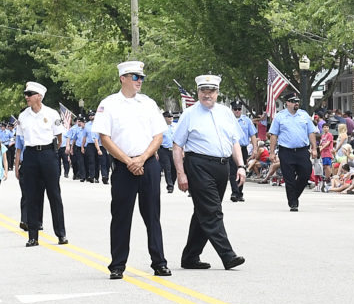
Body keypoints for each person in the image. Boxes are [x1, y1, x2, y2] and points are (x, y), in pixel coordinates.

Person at [96, 59, 172, 279]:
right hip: (123, 165)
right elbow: (104, 137)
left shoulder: (148, 103)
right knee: (121, 216)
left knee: (152, 216)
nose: (139, 81)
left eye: (141, 78)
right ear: (123, 78)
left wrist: (142, 158)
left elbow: (158, 135)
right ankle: (118, 265)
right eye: (135, 77)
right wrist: (129, 161)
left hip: (147, 163)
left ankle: (159, 262)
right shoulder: (109, 104)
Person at [169, 75, 246, 271]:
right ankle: (228, 256)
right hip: (198, 164)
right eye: (203, 90)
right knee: (212, 211)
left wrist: (241, 166)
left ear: (217, 93)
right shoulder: (189, 114)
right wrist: (181, 174)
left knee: (204, 211)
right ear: (198, 92)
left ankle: (190, 257)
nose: (207, 94)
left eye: (211, 91)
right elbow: (177, 145)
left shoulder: (226, 113)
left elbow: (234, 141)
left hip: (222, 166)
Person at [12, 81, 68, 249]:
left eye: (29, 94)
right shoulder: (23, 116)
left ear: (39, 96)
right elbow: (20, 140)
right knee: (32, 196)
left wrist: (53, 153)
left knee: (54, 194)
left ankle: (61, 233)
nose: (26, 97)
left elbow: (59, 137)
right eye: (26, 94)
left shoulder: (51, 114)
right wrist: (18, 163)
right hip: (30, 156)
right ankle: (33, 236)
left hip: (48, 154)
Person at [270, 91, 315, 211]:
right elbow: (274, 135)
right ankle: (293, 202)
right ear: (287, 103)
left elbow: (311, 132)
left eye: (297, 101)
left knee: (306, 173)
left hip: (302, 150)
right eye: (294, 101)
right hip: (286, 151)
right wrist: (272, 151)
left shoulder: (304, 115)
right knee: (289, 178)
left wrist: (315, 148)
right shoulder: (280, 116)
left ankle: (294, 195)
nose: (297, 103)